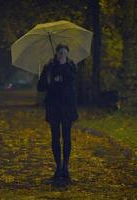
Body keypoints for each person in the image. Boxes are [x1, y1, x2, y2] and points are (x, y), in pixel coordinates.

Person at [37, 44, 79, 180]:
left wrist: (62, 68)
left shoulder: (71, 66)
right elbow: (40, 87)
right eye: (60, 53)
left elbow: (73, 81)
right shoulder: (49, 67)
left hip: (67, 107)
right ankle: (58, 166)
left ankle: (65, 167)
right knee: (55, 137)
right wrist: (50, 79)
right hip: (54, 107)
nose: (62, 55)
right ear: (56, 53)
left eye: (64, 53)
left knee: (66, 137)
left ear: (67, 54)